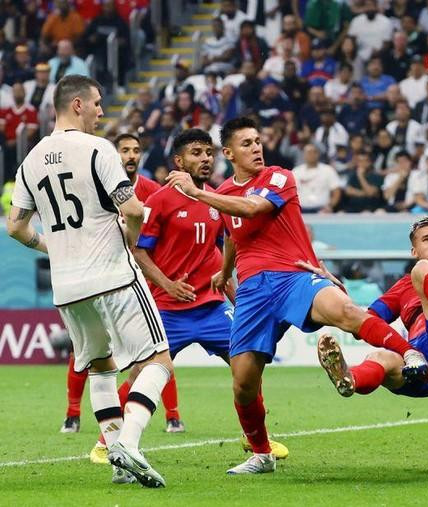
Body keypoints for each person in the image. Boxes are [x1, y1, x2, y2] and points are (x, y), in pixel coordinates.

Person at [164, 117, 428, 475]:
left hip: (293, 275)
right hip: (253, 291)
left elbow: (252, 209)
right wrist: (225, 273)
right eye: (246, 144)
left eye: (258, 141)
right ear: (229, 153)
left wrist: (196, 192)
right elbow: (231, 235)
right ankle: (261, 454)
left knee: (345, 310)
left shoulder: (279, 177)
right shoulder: (224, 192)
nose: (256, 148)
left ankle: (409, 353)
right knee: (243, 384)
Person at [6, 75, 172, 487]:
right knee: (158, 361)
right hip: (112, 275)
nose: (101, 110)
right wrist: (132, 237)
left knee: (101, 367)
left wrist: (52, 247)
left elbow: (15, 227)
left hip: (67, 287)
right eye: (97, 103)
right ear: (77, 104)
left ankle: (119, 465)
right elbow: (133, 209)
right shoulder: (98, 149)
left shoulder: (30, 161)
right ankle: (128, 443)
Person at [90, 129, 289, 463]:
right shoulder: (160, 200)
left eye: (209, 152)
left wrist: (234, 294)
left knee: (248, 366)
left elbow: (220, 251)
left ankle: (255, 438)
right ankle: (105, 442)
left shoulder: (217, 198)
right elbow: (139, 251)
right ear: (179, 161)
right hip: (169, 309)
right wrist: (167, 285)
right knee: (141, 375)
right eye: (196, 153)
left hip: (211, 307)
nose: (206, 159)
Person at [60, 133, 182, 439]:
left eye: (136, 150)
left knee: (156, 351)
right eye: (124, 150)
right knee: (89, 352)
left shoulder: (152, 191)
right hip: (99, 276)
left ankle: (172, 416)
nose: (131, 155)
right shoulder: (94, 184)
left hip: (137, 280)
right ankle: (73, 414)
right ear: (113, 156)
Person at [314, 218, 428, 401]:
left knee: (422, 268)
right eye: (426, 239)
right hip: (420, 367)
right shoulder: (403, 286)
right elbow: (364, 323)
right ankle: (350, 379)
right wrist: (338, 292)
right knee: (379, 357)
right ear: (414, 251)